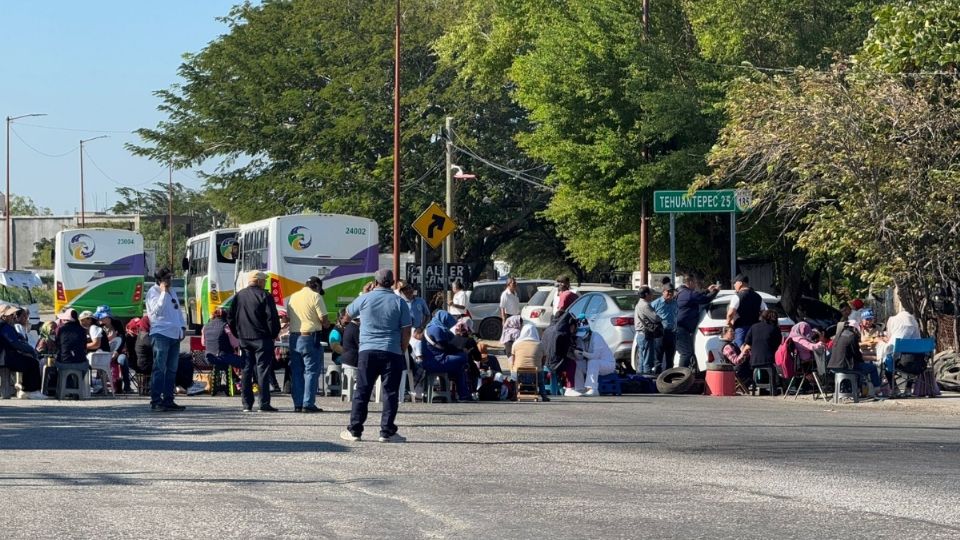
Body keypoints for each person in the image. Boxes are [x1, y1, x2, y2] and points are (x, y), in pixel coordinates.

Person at [340, 269, 412, 443]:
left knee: (362, 391)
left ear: (375, 282)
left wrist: (365, 294)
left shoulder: (365, 298)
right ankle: (386, 432)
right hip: (391, 351)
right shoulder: (399, 302)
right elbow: (406, 330)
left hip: (367, 351)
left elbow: (346, 317)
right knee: (390, 393)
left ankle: (355, 431)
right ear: (393, 283)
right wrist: (401, 349)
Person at [229, 270, 281, 413]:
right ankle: (263, 403)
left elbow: (230, 318)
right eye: (264, 280)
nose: (265, 283)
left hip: (244, 338)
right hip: (262, 339)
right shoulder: (265, 295)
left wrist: (237, 333)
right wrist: (273, 334)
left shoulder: (239, 296)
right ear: (258, 281)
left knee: (246, 370)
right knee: (262, 370)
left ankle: (247, 404)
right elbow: (272, 318)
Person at [145, 268, 187, 412]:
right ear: (159, 280)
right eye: (167, 279)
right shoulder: (153, 292)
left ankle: (169, 400)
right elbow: (157, 311)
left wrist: (182, 326)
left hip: (174, 334)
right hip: (161, 334)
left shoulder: (172, 291)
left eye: (170, 278)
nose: (170, 281)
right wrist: (163, 292)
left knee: (172, 370)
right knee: (159, 368)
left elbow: (177, 310)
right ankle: (156, 401)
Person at [287, 276, 329, 413]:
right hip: (310, 337)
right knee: (311, 371)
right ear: (316, 286)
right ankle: (308, 403)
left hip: (294, 337)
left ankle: (297, 404)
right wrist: (326, 325)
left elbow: (288, 316)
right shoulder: (316, 296)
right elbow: (323, 318)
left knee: (297, 372)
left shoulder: (293, 296)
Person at [420, 311, 473, 402]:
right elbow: (445, 346)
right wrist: (460, 350)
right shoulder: (436, 329)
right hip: (436, 361)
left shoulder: (438, 328)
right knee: (463, 357)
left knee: (459, 369)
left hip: (437, 360)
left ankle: (464, 396)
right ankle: (462, 395)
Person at [827, 315, 887, 397]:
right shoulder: (852, 336)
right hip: (845, 366)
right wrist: (865, 360)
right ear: (855, 329)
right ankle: (878, 391)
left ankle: (856, 390)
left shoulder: (838, 335)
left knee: (860, 367)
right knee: (872, 368)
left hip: (833, 366)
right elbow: (856, 355)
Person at [675, 274, 720, 369]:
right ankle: (680, 375)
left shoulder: (681, 292)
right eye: (695, 283)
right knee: (686, 353)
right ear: (690, 282)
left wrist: (708, 290)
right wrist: (716, 291)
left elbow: (697, 296)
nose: (695, 285)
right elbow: (705, 299)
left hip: (679, 327)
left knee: (685, 353)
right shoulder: (689, 294)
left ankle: (680, 374)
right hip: (682, 328)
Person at [0, 304, 44, 399]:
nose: (14, 316)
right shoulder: (5, 327)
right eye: (11, 315)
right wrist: (31, 350)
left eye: (14, 314)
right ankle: (31, 391)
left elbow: (18, 338)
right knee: (32, 363)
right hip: (5, 358)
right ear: (4, 316)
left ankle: (26, 390)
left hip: (6, 357)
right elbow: (15, 343)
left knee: (28, 361)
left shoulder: (6, 326)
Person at [575, 318, 616, 397]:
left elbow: (595, 356)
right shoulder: (580, 339)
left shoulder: (596, 337)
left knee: (593, 362)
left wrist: (582, 353)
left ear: (588, 331)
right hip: (592, 365)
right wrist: (577, 354)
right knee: (578, 363)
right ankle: (579, 388)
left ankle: (593, 389)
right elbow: (580, 357)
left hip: (607, 364)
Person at [543, 311, 581, 396]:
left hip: (546, 363)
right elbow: (565, 352)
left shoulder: (548, 329)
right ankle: (570, 388)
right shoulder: (562, 333)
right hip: (554, 364)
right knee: (572, 363)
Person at [510, 323, 549, 401]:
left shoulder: (516, 344)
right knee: (541, 377)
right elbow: (544, 359)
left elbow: (513, 360)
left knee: (513, 373)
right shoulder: (540, 344)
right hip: (535, 375)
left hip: (519, 375)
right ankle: (544, 395)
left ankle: (514, 394)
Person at [727, 274, 767, 347]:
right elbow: (764, 312)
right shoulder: (758, 296)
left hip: (741, 329)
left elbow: (730, 314)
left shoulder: (737, 297)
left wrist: (729, 324)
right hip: (755, 329)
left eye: (735, 283)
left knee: (741, 351)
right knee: (753, 350)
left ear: (740, 283)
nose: (734, 285)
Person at [633, 286, 662, 376]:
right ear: (646, 294)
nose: (652, 295)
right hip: (646, 335)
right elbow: (655, 318)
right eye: (650, 293)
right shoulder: (645, 305)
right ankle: (646, 378)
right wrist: (661, 318)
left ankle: (640, 379)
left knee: (642, 359)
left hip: (641, 335)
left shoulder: (639, 304)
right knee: (647, 360)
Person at [650, 284, 678, 373]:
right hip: (660, 333)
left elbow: (676, 315)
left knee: (670, 359)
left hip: (672, 333)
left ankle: (668, 380)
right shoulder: (655, 303)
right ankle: (656, 379)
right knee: (658, 359)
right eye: (668, 291)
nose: (670, 293)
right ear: (663, 292)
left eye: (672, 292)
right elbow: (648, 317)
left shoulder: (675, 303)